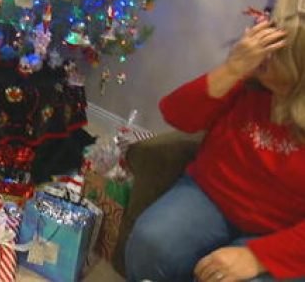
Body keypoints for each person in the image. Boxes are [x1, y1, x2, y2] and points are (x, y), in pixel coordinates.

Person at [125, 16, 305, 282]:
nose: (260, 57)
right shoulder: (247, 83)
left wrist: (258, 256)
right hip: (210, 195)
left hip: (283, 230)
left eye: (274, 54)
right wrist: (232, 69)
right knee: (151, 243)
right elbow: (176, 115)